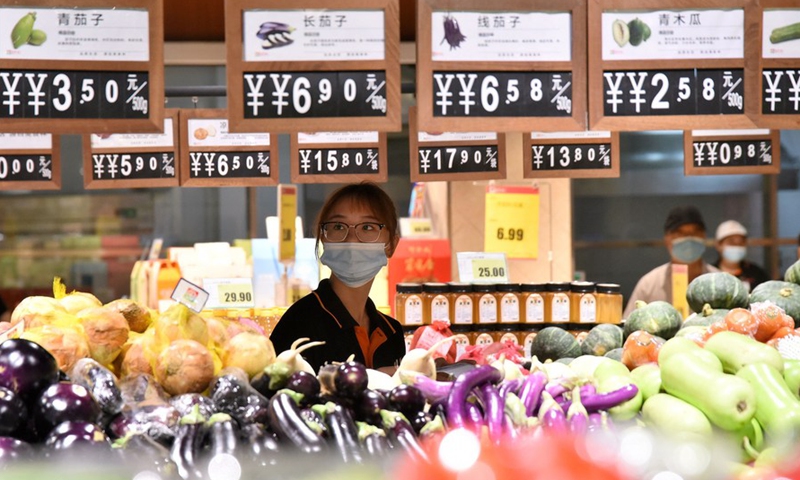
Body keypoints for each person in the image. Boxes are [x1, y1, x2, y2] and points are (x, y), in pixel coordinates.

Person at [269, 182, 405, 374]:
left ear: (391, 245)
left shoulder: (392, 332)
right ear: (324, 237)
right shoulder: (300, 323)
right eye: (339, 226)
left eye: (367, 227)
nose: (351, 239)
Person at [624, 205, 719, 318]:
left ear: (704, 236)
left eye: (695, 232)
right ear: (667, 239)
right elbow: (628, 328)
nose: (688, 238)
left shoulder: (720, 282)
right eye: (680, 233)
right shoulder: (649, 285)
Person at [713, 220, 770, 292]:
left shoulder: (756, 273)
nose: (737, 246)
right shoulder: (710, 273)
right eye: (731, 242)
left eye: (741, 242)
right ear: (718, 245)